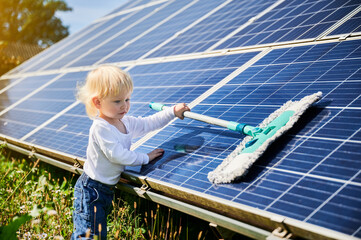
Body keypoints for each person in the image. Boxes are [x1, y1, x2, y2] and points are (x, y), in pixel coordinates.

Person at [71, 65, 190, 239]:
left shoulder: (125, 122)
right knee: (88, 235)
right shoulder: (101, 127)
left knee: (98, 234)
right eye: (117, 101)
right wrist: (145, 157)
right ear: (98, 102)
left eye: (127, 99)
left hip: (104, 190)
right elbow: (117, 155)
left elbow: (148, 123)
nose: (124, 106)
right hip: (91, 190)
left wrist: (172, 112)